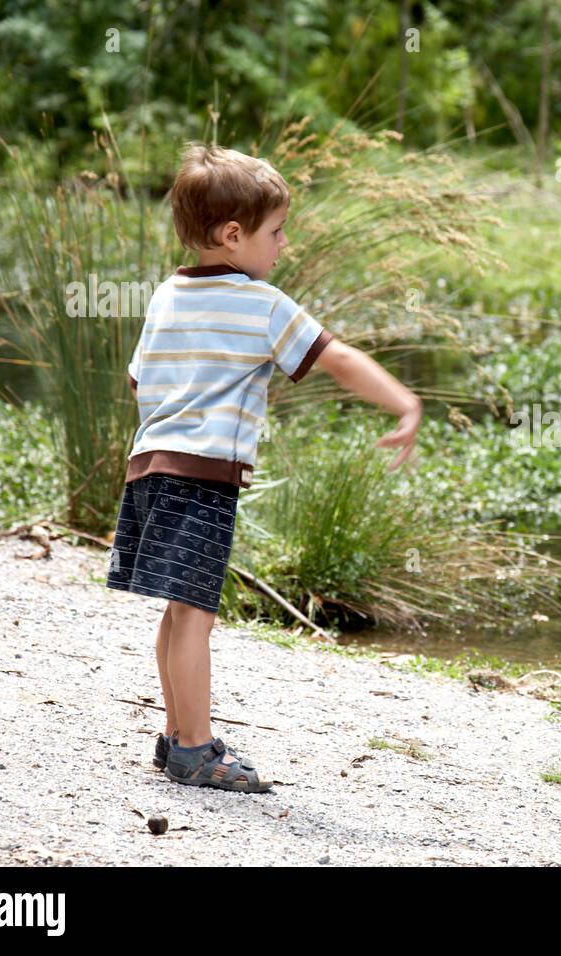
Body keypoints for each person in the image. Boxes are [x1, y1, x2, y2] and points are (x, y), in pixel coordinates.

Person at [106, 143, 423, 792]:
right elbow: (334, 357)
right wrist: (403, 401)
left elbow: (137, 382)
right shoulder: (263, 304)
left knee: (177, 610)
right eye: (276, 231)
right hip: (201, 479)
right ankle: (195, 747)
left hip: (149, 468)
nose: (285, 244)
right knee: (196, 613)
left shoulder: (167, 294)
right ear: (233, 235)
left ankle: (174, 737)